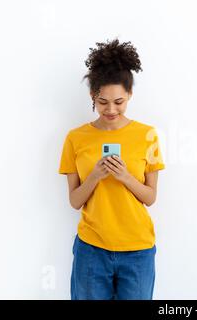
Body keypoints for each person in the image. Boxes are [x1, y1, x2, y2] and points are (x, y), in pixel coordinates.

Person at [58, 38, 165, 300]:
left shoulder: (147, 135)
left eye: (119, 101)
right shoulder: (76, 138)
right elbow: (74, 201)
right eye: (102, 101)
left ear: (129, 95)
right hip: (91, 250)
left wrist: (125, 177)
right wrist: (95, 175)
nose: (111, 109)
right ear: (92, 95)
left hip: (138, 250)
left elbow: (150, 198)